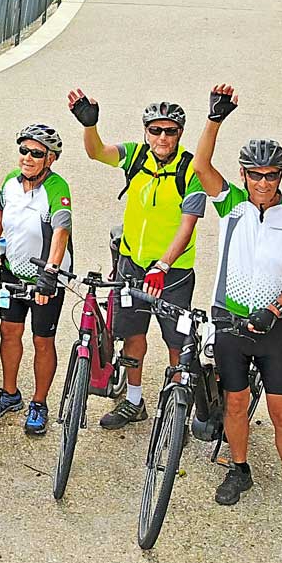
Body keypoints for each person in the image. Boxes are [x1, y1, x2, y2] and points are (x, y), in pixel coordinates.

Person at [190, 85, 282, 532]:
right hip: (230, 323)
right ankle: (239, 469)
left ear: (280, 176)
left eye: (272, 176)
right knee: (236, 403)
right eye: (255, 175)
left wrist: (277, 308)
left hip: (271, 329)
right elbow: (201, 166)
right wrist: (215, 118)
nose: (263, 183)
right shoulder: (232, 207)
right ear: (244, 177)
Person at [65, 90, 206, 429]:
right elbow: (97, 152)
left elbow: (187, 227)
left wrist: (164, 265)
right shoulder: (136, 156)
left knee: (176, 343)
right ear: (146, 131)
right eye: (155, 130)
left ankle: (175, 412)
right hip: (132, 265)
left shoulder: (191, 171)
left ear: (180, 134)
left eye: (169, 131)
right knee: (133, 336)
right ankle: (133, 401)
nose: (161, 137)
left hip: (173, 273)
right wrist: (90, 125)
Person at [0, 124, 72, 436]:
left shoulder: (57, 189)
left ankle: (39, 403)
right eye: (24, 151)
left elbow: (61, 232)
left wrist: (50, 273)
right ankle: (9, 393)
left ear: (50, 159)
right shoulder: (10, 182)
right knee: (8, 332)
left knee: (42, 341)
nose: (28, 157)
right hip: (13, 271)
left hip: (46, 277)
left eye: (37, 153)